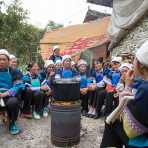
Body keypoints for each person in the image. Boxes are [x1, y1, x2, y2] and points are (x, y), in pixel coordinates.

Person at [101, 41, 148, 148]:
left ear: (140, 64)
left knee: (111, 122)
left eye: (134, 59)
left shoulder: (145, 88)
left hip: (144, 141)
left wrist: (126, 89)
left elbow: (131, 129)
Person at [0, 49, 23, 135]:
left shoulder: (14, 71)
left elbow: (18, 86)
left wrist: (5, 94)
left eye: (4, 59)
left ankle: (12, 122)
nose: (1, 62)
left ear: (8, 61)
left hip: (9, 95)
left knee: (13, 102)